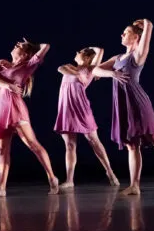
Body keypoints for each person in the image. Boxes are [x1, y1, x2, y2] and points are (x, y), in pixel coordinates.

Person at [97, 19, 154, 196]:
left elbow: (148, 33)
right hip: (123, 103)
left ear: (136, 37)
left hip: (137, 102)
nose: (122, 35)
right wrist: (111, 73)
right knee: (132, 145)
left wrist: (147, 23)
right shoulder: (117, 58)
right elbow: (95, 70)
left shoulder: (137, 55)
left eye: (126, 32)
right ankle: (134, 185)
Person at [0, 38, 59, 198]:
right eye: (16, 44)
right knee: (2, 150)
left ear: (25, 54)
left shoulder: (27, 66)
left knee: (32, 144)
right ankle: (1, 188)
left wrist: (32, 45)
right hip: (1, 111)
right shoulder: (3, 63)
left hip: (16, 109)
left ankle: (52, 178)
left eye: (19, 46)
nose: (15, 45)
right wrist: (9, 85)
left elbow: (46, 46)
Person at [54, 46, 127, 189]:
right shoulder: (70, 66)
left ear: (87, 58)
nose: (76, 52)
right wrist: (77, 71)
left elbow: (100, 50)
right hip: (66, 109)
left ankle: (110, 172)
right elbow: (60, 69)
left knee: (94, 141)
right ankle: (69, 180)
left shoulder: (92, 69)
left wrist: (113, 74)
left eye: (80, 52)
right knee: (69, 145)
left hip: (81, 108)